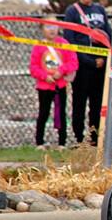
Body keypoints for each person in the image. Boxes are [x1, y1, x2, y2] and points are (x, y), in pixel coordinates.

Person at [64, 0, 112, 146]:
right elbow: (71, 41)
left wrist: (104, 59)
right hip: (83, 66)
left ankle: (94, 137)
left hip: (100, 65)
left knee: (97, 103)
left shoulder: (99, 10)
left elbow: (108, 35)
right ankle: (78, 137)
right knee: (79, 102)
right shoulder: (72, 12)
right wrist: (89, 61)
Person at [29, 21, 78, 150]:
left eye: (54, 26)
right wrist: (45, 76)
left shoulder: (64, 44)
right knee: (43, 113)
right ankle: (39, 142)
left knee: (61, 113)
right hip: (44, 87)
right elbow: (33, 67)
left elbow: (73, 62)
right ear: (42, 28)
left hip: (60, 85)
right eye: (48, 26)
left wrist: (61, 71)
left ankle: (62, 142)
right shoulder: (39, 46)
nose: (52, 30)